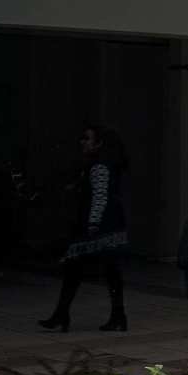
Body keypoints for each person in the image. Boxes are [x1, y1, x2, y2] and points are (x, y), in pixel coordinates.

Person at [39, 124, 129, 332]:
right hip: (108, 224)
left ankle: (63, 315)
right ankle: (116, 316)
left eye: (87, 139)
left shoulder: (98, 166)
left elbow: (100, 196)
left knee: (78, 268)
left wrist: (93, 223)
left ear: (99, 143)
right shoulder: (98, 165)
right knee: (106, 270)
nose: (83, 142)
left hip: (101, 227)